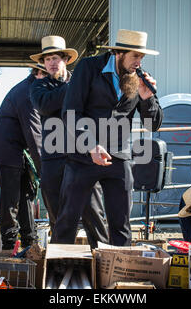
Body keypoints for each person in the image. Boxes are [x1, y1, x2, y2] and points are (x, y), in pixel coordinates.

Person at [51, 29, 163, 246]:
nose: (139, 62)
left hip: (118, 156)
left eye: (142, 57)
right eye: (135, 56)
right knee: (67, 220)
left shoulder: (139, 78)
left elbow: (152, 125)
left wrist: (147, 98)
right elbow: (71, 112)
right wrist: (91, 146)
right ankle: (57, 272)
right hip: (83, 155)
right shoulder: (88, 67)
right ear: (118, 53)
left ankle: (118, 274)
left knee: (121, 224)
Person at [30, 35, 109, 248]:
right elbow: (46, 105)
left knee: (94, 214)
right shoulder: (39, 87)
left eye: (56, 57)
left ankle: (103, 262)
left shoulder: (81, 81)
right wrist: (76, 87)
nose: (52, 63)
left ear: (66, 59)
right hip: (54, 160)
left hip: (83, 157)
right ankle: (61, 266)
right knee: (59, 218)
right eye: (47, 60)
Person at [0, 62, 48, 250]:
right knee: (11, 197)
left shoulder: (35, 90)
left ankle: (30, 240)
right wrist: (45, 171)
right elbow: (34, 133)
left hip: (18, 148)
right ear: (37, 73)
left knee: (26, 193)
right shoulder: (27, 93)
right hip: (6, 148)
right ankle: (9, 243)